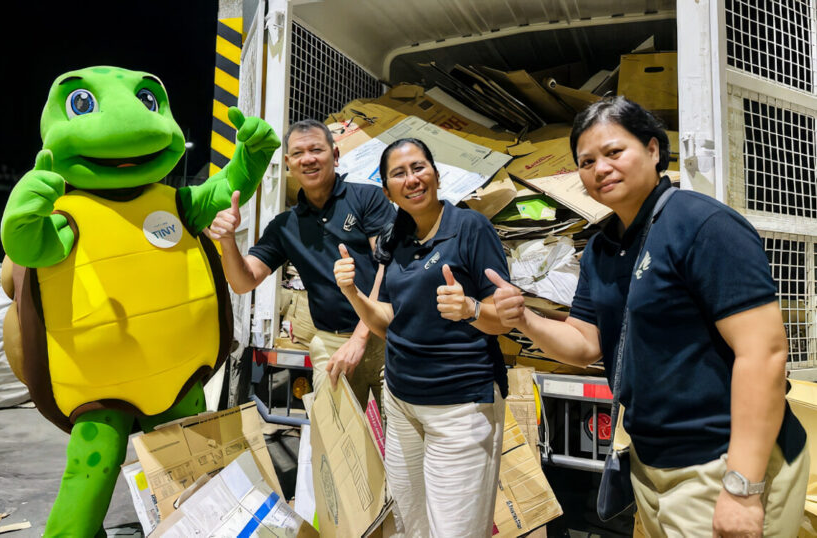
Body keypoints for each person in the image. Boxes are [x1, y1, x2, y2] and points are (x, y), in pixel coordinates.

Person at [486, 96, 808, 537]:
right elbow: (584, 345)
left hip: (720, 463)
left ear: (654, 150)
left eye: (614, 152)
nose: (600, 168)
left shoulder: (701, 224)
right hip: (651, 464)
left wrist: (742, 486)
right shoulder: (602, 247)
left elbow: (765, 353)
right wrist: (523, 318)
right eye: (586, 161)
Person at [333, 138, 512, 537]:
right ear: (386, 190)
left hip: (460, 406)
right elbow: (388, 321)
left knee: (455, 531)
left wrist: (471, 308)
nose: (411, 179)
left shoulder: (470, 227)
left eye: (419, 167)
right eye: (399, 173)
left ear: (435, 172)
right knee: (412, 528)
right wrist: (354, 294)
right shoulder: (394, 238)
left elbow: (506, 318)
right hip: (402, 404)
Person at [207, 119, 395, 409]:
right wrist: (228, 241)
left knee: (399, 442)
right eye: (298, 153)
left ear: (335, 155)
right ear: (287, 162)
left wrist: (360, 339)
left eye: (316, 150)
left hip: (387, 336)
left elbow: (388, 266)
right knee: (340, 446)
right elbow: (243, 282)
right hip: (333, 342)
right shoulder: (285, 226)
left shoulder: (366, 198)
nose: (307, 159)